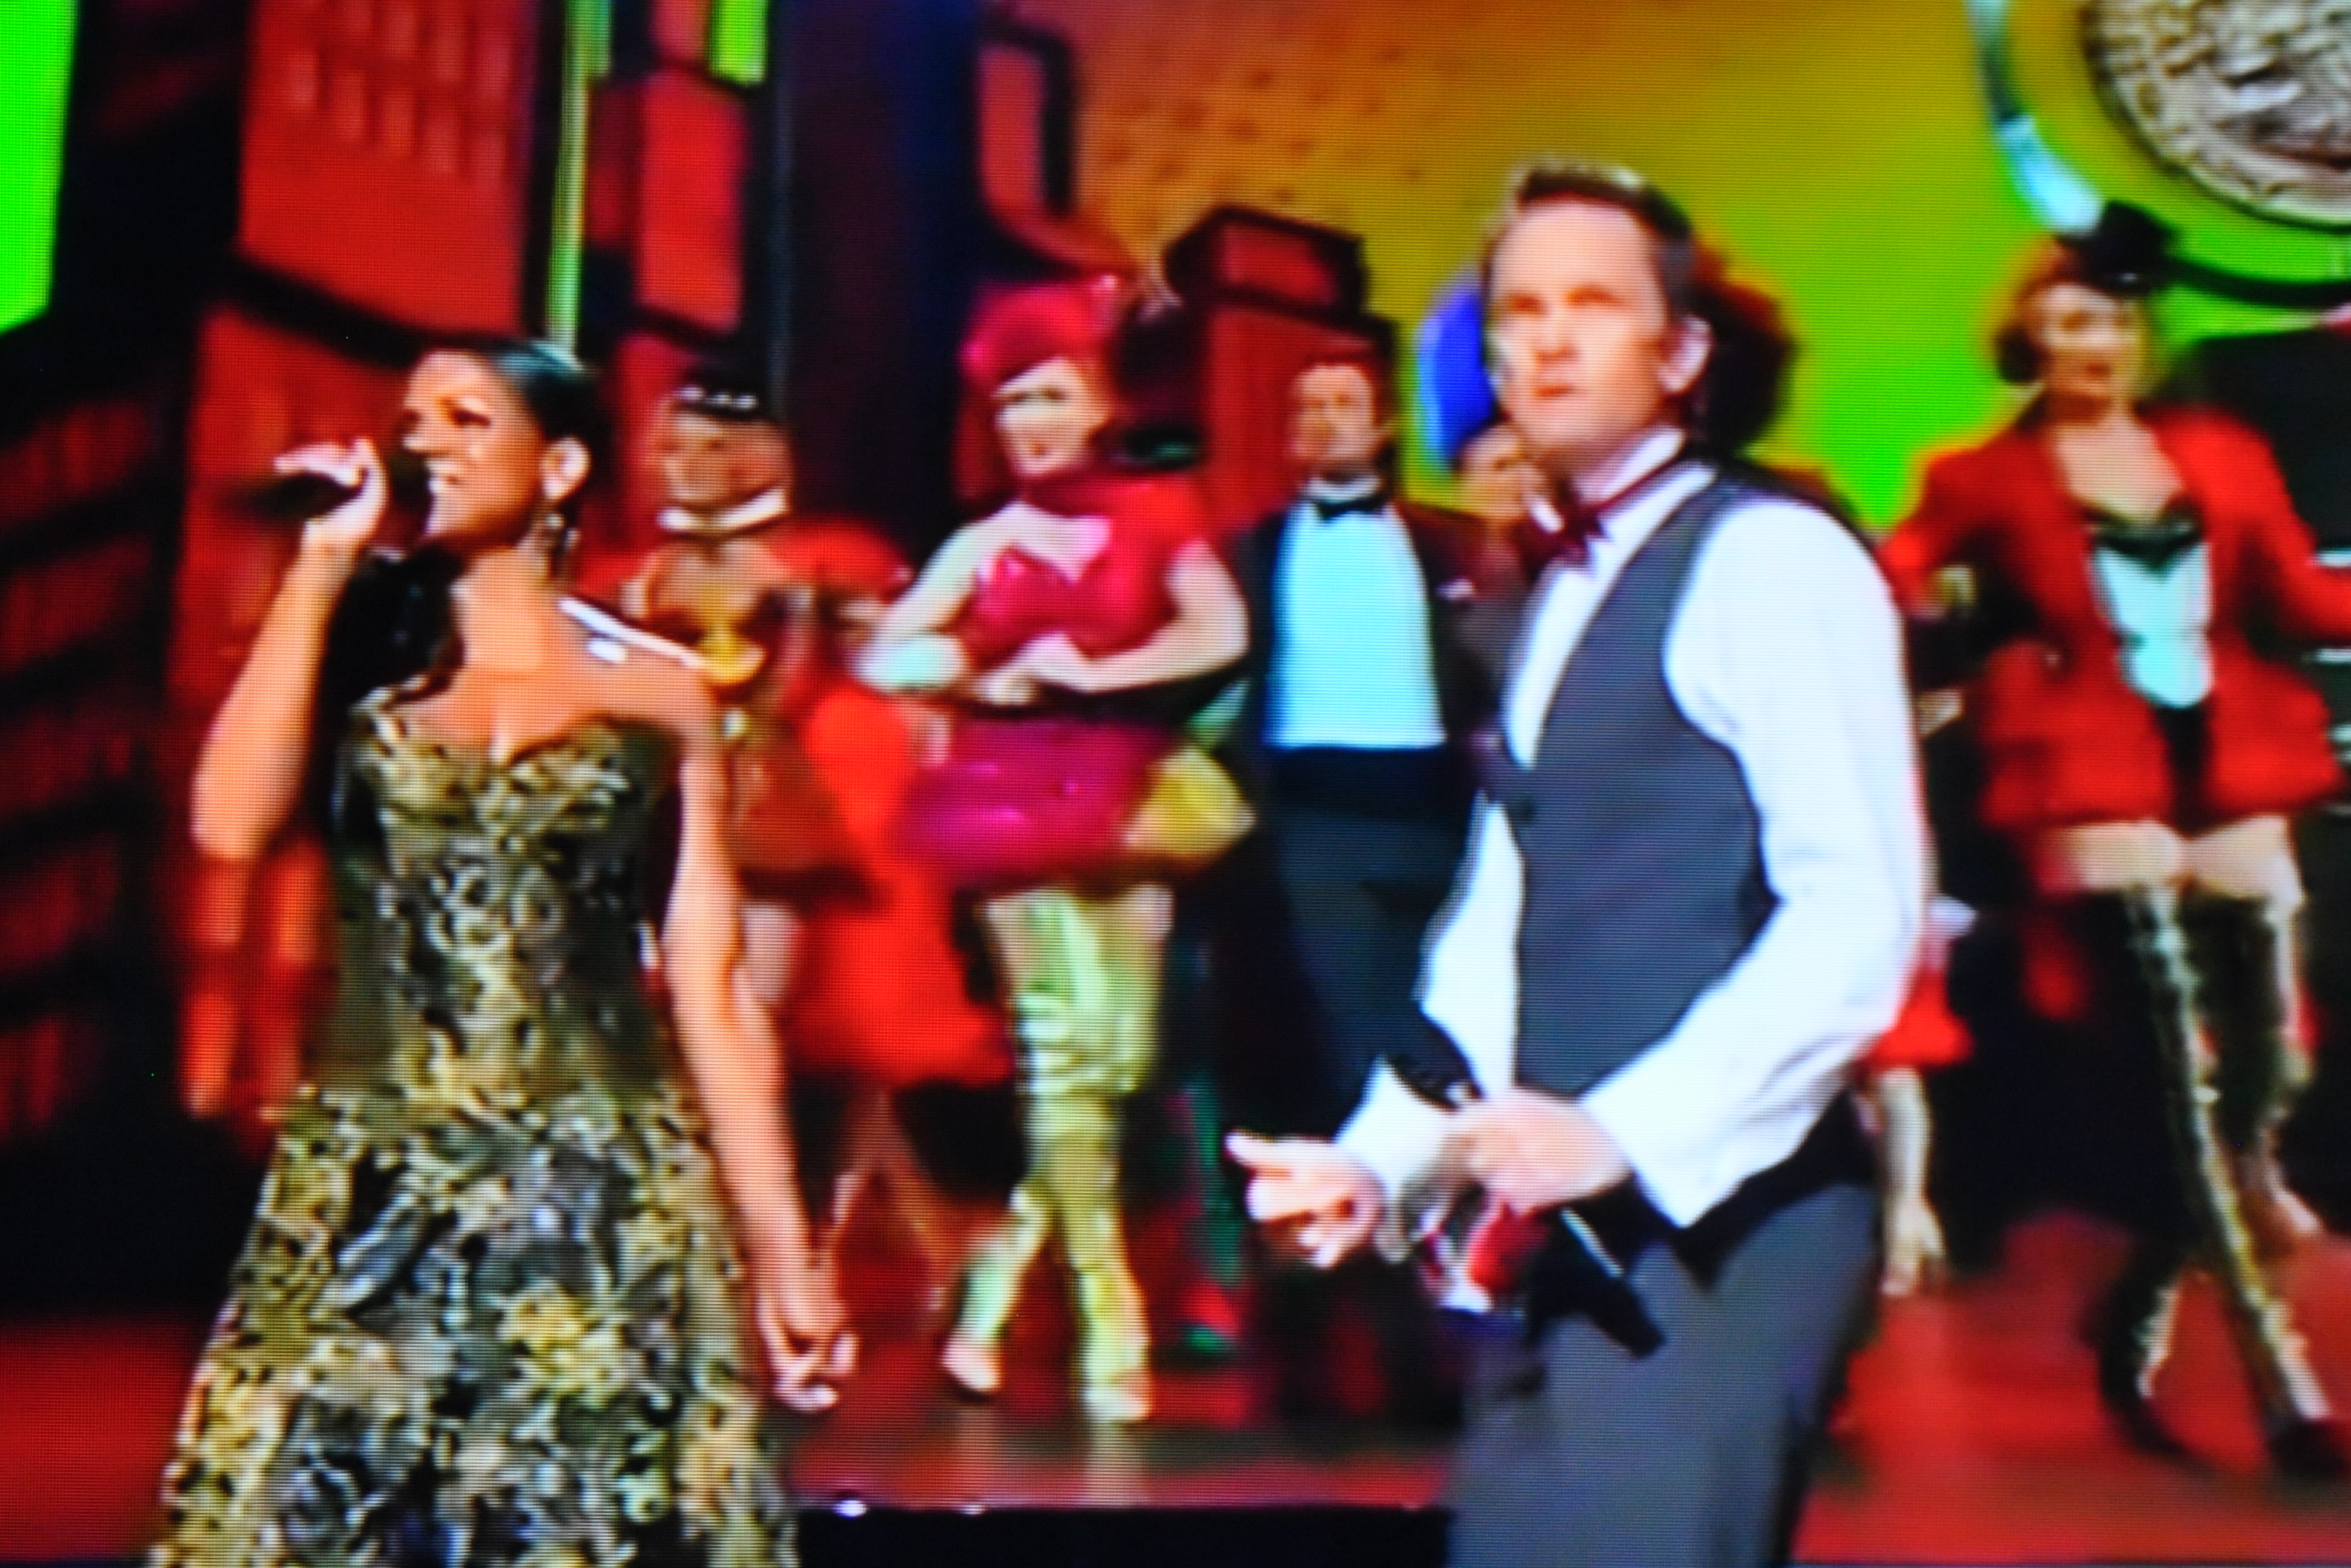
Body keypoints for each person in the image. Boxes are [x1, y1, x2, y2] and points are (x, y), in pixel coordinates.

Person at [1230, 161, 1924, 1567]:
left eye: (1592, 306)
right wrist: (1377, 1159)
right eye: (1518, 312)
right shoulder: (1561, 588)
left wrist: (1628, 1128)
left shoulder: (1769, 561)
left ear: (1681, 352)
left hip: (1726, 1229)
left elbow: (1858, 912)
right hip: (1572, 1228)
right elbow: (1500, 929)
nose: (1546, 342)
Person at [150, 339, 851, 1568]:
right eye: (416, 418)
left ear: (561, 465)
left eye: (468, 419)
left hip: (595, 1190)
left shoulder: (662, 695)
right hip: (373, 1174)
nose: (428, 441)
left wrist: (784, 1250)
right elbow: (228, 822)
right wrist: (321, 567)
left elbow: (711, 983)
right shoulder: (367, 657)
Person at [1881, 210, 2351, 1476]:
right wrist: (1941, 645)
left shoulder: (2219, 452)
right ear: (2029, 340)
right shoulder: (1978, 476)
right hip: (2089, 779)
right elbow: (1894, 574)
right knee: (2184, 1098)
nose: (2094, 343)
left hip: (2234, 760)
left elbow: (2299, 594)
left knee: (2270, 1075)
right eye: (2068, 322)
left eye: (2110, 319)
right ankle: (2283, 1389)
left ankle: (2132, 1310)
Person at [863, 278, 1250, 1425]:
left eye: (1050, 397)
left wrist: (1101, 672)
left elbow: (1218, 630)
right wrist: (978, 673)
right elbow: (885, 654)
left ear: (1097, 405)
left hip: (1130, 789)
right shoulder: (984, 543)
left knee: (1118, 1064)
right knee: (1059, 1059)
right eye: (1010, 403)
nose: (1029, 423)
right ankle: (1105, 1310)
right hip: (1008, 798)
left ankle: (994, 1283)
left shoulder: (1155, 515)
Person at [621, 366, 1006, 1312]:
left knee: (759, 1032)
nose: (688, 466)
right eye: (674, 447)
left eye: (713, 448)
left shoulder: (825, 563)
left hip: (785, 822)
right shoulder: (637, 576)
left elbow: (902, 667)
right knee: (693, 1037)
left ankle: (766, 1247)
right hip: (667, 816)